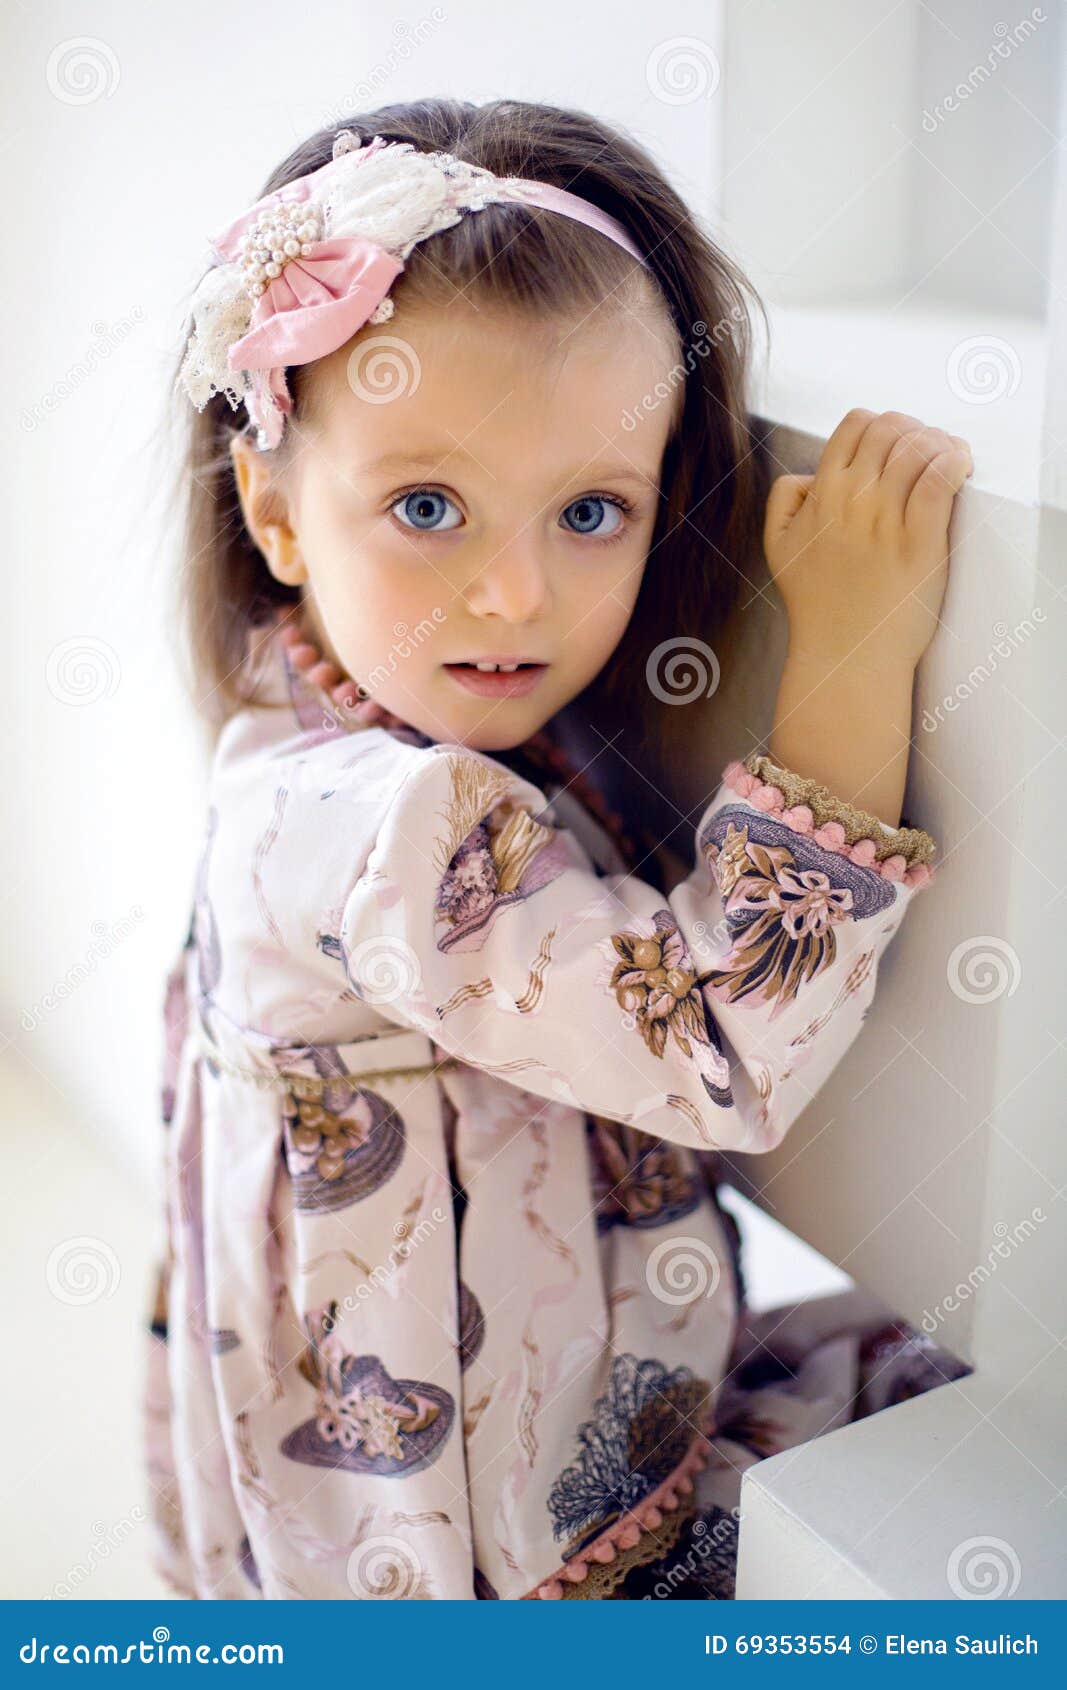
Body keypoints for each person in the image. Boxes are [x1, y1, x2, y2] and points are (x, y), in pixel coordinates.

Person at [143, 98, 970, 1602]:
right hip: (487, 1543)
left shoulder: (310, 729)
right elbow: (717, 1043)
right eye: (428, 506)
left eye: (592, 509)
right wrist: (849, 651)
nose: (517, 593)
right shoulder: (381, 824)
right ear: (271, 508)